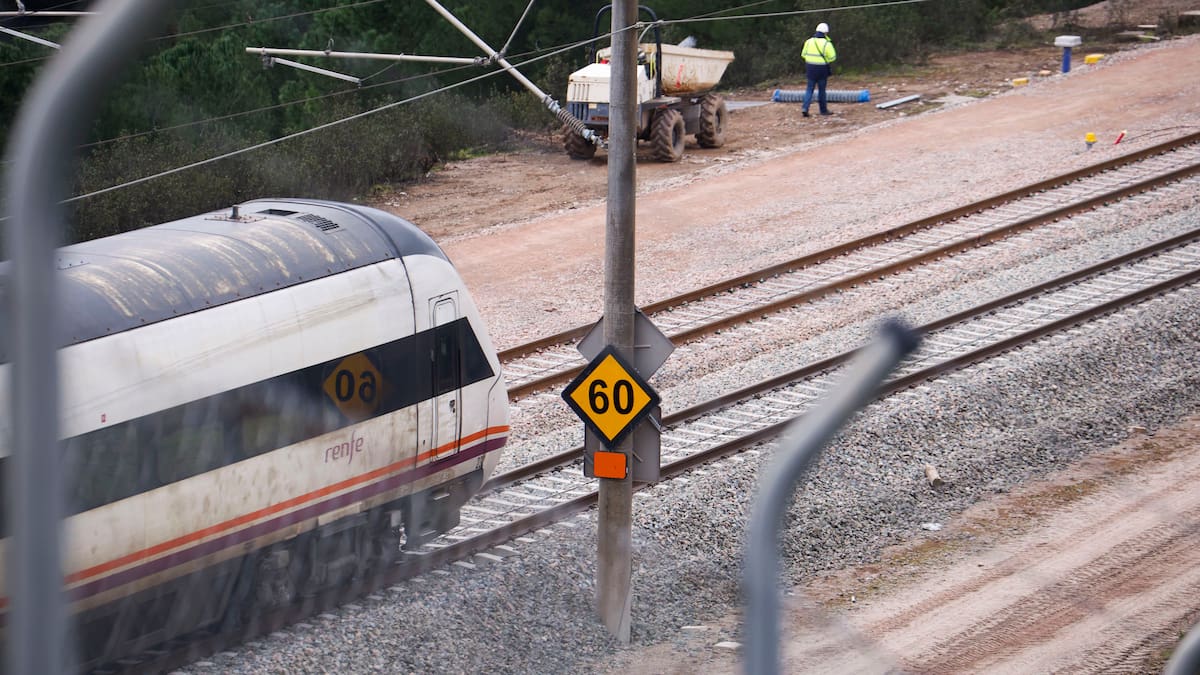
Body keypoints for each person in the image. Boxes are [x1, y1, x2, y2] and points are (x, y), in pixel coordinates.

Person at [801, 22, 837, 118]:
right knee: (822, 90)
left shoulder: (808, 41)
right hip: (822, 69)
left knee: (809, 89)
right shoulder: (827, 44)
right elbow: (833, 57)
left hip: (810, 68)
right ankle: (823, 110)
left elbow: (803, 54)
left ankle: (805, 108)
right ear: (826, 33)